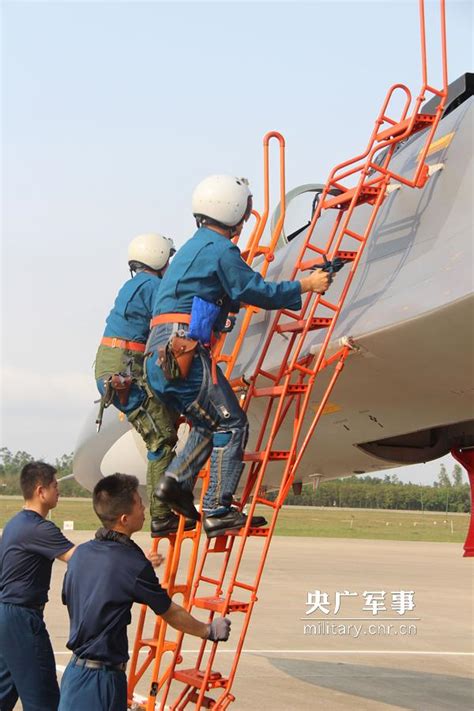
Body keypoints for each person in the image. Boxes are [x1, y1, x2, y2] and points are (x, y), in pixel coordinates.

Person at [145, 175, 333, 537]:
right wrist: (305, 285)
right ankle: (218, 509)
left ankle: (175, 483)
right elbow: (252, 288)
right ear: (235, 210)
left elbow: (222, 293)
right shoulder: (220, 250)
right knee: (233, 424)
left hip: (161, 354)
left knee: (207, 422)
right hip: (183, 349)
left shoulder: (192, 249)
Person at [58, 473, 231, 711]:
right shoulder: (131, 562)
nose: (144, 509)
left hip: (75, 675)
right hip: (101, 682)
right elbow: (169, 611)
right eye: (140, 504)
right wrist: (207, 630)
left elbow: (83, 593)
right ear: (124, 519)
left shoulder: (81, 554)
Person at [95, 232, 192, 537]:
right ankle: (162, 517)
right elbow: (176, 316)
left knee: (163, 422)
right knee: (161, 440)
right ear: (160, 257)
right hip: (125, 373)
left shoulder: (136, 284)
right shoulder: (153, 286)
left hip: (120, 368)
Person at [0, 462, 76, 711]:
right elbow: (79, 558)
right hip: (22, 617)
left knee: (4, 692)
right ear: (41, 491)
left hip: (7, 615)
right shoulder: (38, 528)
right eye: (55, 486)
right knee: (44, 698)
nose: (59, 491)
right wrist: (118, 549)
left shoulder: (15, 524)